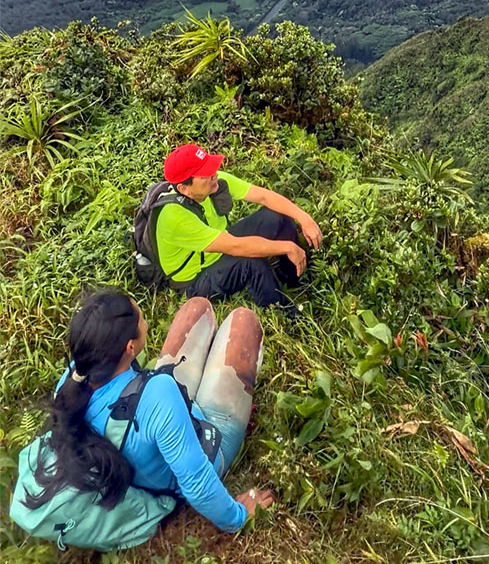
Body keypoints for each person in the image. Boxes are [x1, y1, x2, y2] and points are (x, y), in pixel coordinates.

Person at [28, 290, 274, 533]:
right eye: (141, 317)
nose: (144, 320)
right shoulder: (158, 393)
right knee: (244, 321)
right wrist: (238, 517)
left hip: (153, 422)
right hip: (206, 442)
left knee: (197, 307)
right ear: (130, 347)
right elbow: (197, 482)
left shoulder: (72, 381)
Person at [158, 143, 323, 315]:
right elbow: (237, 247)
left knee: (277, 216)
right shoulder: (174, 217)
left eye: (211, 167)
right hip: (196, 279)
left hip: (221, 245)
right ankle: (285, 315)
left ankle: (292, 278)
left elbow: (264, 196)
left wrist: (304, 218)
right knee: (251, 262)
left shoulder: (215, 182)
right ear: (184, 189)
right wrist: (287, 247)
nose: (214, 174)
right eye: (205, 174)